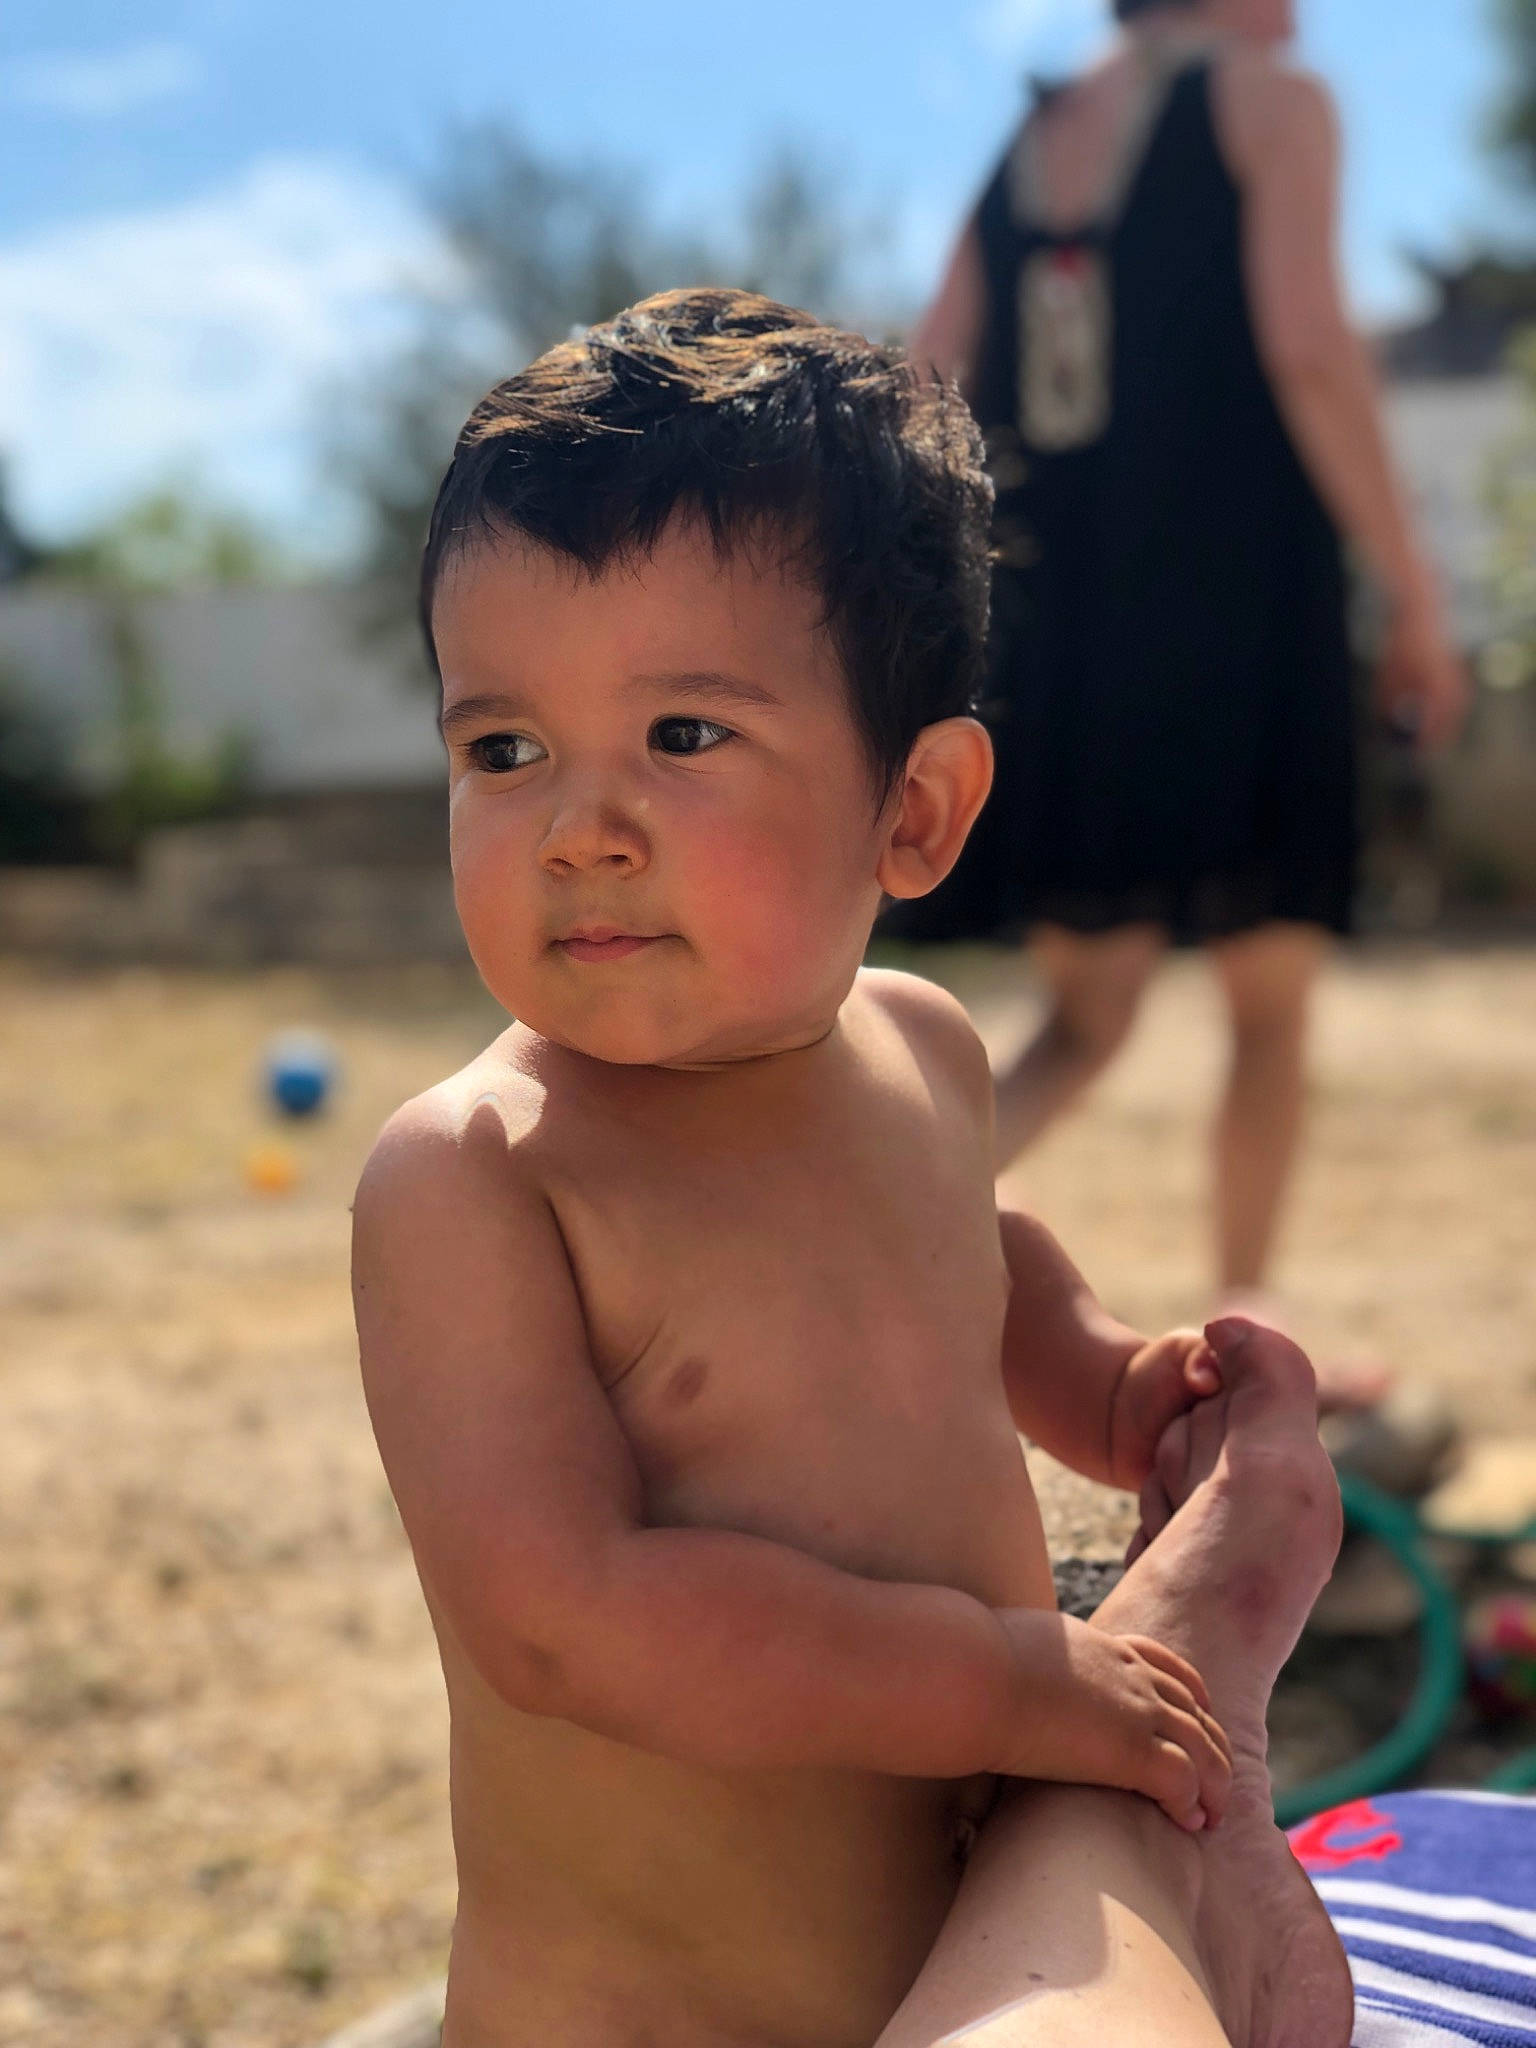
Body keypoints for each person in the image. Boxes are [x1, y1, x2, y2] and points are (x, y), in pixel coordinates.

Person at [352, 287, 1349, 2048]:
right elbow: (570, 1623)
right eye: (502, 746)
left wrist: (1105, 1380)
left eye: (681, 737)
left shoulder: (923, 1047)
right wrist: (998, 1677)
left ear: (918, 812)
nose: (578, 825)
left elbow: (972, 1256)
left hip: (950, 1950)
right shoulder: (482, 1181)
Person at [906, 0, 1468, 1326]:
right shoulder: (1274, 97)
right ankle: (1246, 1335)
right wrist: (1416, 594)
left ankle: (844, 1255)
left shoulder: (1032, 130)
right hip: (1239, 601)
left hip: (1069, 628)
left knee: (1085, 1015)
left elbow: (929, 373)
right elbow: (1312, 353)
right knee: (1268, 1002)